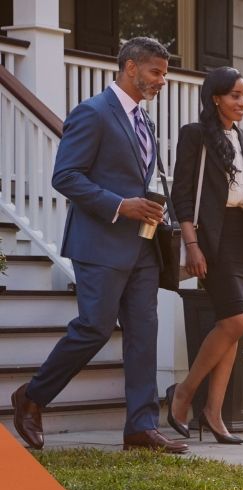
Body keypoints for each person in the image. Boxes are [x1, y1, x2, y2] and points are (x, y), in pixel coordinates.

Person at [9, 38, 184, 453]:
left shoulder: (146, 121)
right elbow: (66, 176)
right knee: (94, 328)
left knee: (145, 332)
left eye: (164, 72)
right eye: (155, 72)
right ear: (129, 68)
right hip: (100, 243)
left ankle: (141, 428)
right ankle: (32, 397)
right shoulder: (92, 112)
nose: (162, 80)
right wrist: (121, 205)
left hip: (142, 247)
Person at [164, 66, 243, 445]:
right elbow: (181, 196)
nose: (242, 102)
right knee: (235, 321)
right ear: (216, 97)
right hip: (209, 239)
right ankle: (183, 394)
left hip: (240, 240)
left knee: (233, 329)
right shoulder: (194, 136)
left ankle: (213, 412)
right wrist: (192, 244)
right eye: (235, 95)